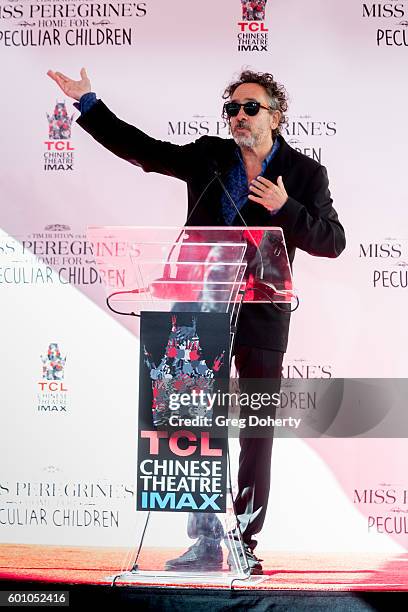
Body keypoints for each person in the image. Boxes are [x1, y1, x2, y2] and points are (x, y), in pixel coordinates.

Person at [47, 67, 346, 574]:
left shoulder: (303, 174)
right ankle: (208, 542)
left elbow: (331, 240)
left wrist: (285, 206)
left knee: (255, 429)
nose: (238, 117)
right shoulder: (209, 155)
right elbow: (143, 151)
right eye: (231, 108)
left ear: (275, 115)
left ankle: (244, 542)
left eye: (249, 107)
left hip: (261, 316)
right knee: (193, 424)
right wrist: (90, 105)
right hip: (196, 309)